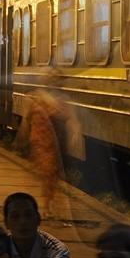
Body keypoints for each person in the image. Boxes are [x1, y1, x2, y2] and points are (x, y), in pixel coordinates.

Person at [14, 69, 81, 217]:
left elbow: (72, 117)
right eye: (48, 77)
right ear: (42, 79)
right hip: (39, 141)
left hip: (57, 141)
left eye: (54, 77)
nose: (51, 79)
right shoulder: (33, 97)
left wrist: (75, 130)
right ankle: (46, 207)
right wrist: (21, 135)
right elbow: (26, 119)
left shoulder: (62, 99)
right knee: (48, 170)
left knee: (54, 173)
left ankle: (48, 203)